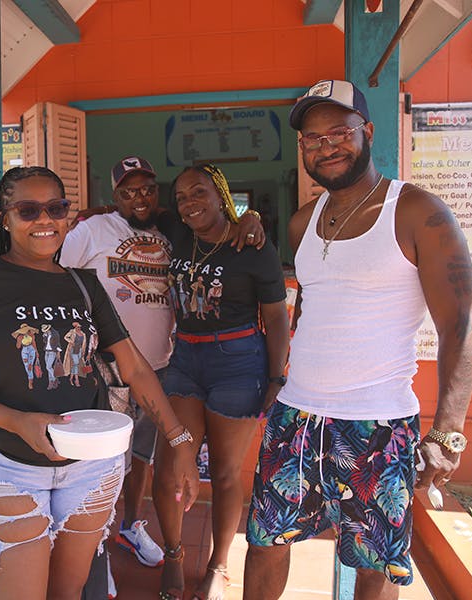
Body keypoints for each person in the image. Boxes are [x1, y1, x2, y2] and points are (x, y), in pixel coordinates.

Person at [0, 166, 200, 600]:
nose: (45, 220)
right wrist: (17, 421)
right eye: (28, 210)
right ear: (4, 219)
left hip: (91, 467)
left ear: (69, 215)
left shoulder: (82, 284)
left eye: (56, 208)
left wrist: (178, 440)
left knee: (67, 592)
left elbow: (136, 369)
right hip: (11, 467)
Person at [243, 80, 472, 600]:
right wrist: (282, 378)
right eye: (311, 138)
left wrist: (448, 433)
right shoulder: (304, 222)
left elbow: (459, 327)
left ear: (367, 133)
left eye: (338, 133)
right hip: (296, 418)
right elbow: (312, 306)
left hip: (377, 424)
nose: (326, 147)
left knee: (373, 566)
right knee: (263, 543)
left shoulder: (419, 212)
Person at [60, 157, 265, 597]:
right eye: (128, 191)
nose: (139, 198)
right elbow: (57, 274)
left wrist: (251, 215)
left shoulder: (171, 231)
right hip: (106, 370)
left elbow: (221, 220)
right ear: (114, 196)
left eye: (147, 189)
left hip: (161, 367)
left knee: (141, 459)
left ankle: (131, 526)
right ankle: (97, 553)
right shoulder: (93, 231)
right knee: (99, 467)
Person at [154, 164, 290, 600]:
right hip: (186, 357)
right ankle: (173, 554)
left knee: (229, 474)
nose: (189, 203)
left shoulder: (252, 245)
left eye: (199, 193)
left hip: (238, 359)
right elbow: (128, 214)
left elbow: (275, 316)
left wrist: (276, 376)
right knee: (174, 461)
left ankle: (217, 564)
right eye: (181, 197)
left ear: (221, 194)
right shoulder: (176, 233)